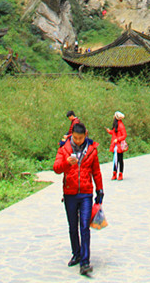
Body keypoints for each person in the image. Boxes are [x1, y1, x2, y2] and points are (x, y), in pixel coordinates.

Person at [53, 122, 104, 275]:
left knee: (84, 227)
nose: (78, 141)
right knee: (73, 226)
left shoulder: (92, 150)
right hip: (70, 194)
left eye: (80, 138)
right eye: (75, 138)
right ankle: (76, 253)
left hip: (86, 194)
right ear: (71, 136)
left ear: (85, 135)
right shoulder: (64, 149)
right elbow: (56, 168)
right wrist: (66, 163)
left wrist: (99, 189)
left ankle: (85, 262)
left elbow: (96, 171)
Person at [106, 111, 127, 180]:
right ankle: (114, 174)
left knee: (120, 160)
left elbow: (124, 135)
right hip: (115, 145)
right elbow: (114, 132)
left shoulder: (121, 125)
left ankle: (120, 174)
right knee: (115, 159)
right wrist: (109, 131)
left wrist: (118, 139)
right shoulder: (116, 125)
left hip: (119, 145)